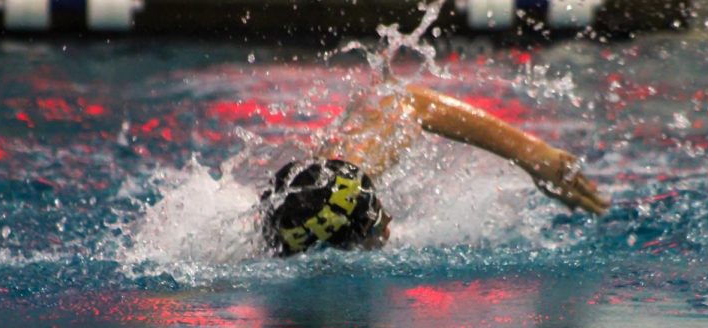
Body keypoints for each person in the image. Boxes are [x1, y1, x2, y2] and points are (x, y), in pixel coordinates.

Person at [259, 83, 610, 256]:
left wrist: (534, 155)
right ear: (348, 244)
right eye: (378, 219)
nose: (390, 221)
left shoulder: (340, 184)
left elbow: (408, 101)